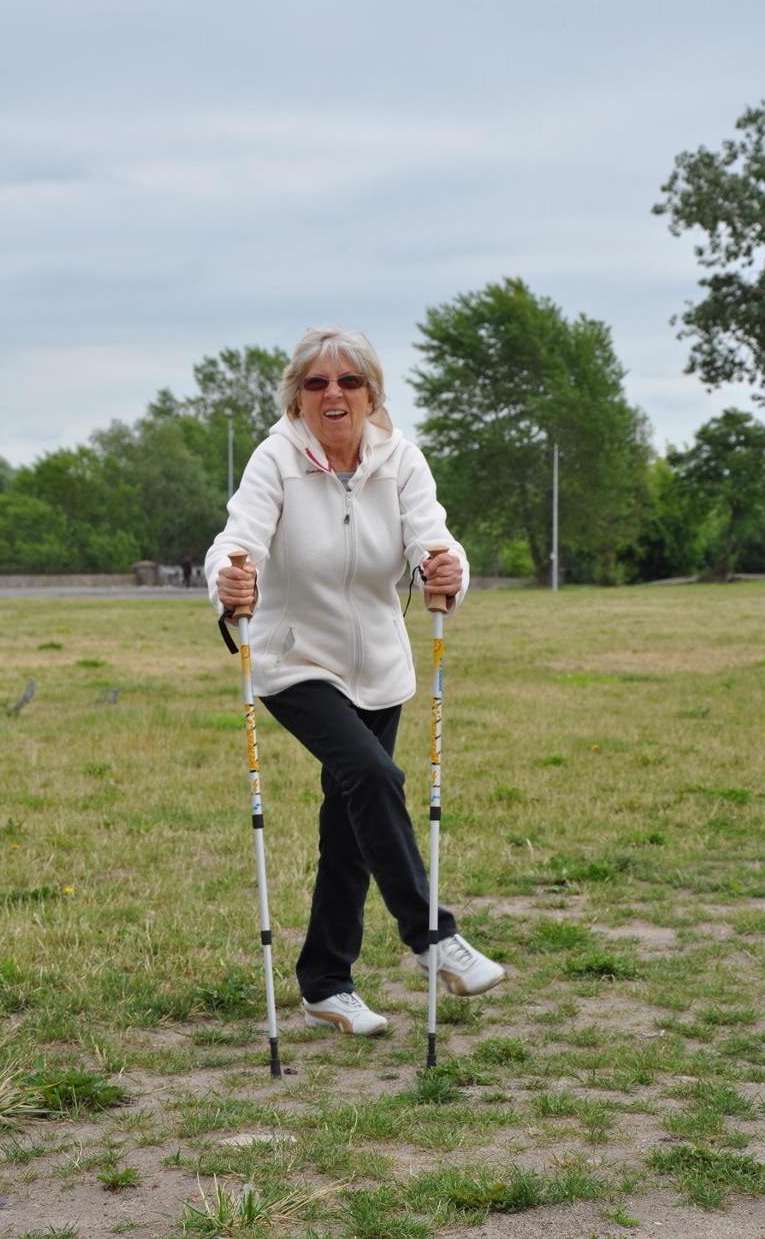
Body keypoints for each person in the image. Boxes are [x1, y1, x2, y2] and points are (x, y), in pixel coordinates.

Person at [204, 326, 504, 1037]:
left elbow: (431, 534)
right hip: (294, 661)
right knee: (373, 776)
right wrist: (228, 580)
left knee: (349, 827)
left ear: (371, 394)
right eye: (316, 383)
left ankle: (326, 982)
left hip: (381, 669)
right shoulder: (276, 458)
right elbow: (237, 535)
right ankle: (433, 937)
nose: (332, 394)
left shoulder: (399, 459)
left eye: (347, 382)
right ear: (298, 399)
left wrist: (447, 565)